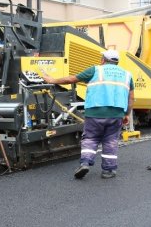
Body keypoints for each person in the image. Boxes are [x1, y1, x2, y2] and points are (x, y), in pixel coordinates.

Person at [41, 50, 134, 179]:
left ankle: (85, 163)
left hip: (95, 112)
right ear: (116, 62)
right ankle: (108, 170)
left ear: (103, 60)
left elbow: (71, 79)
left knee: (91, 138)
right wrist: (126, 114)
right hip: (116, 113)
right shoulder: (127, 75)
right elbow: (131, 98)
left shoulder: (96, 70)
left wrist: (52, 80)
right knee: (110, 141)